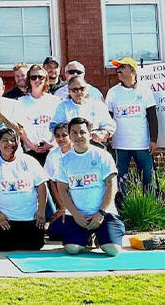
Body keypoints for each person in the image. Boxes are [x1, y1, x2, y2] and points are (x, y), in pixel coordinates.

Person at [55, 117, 124, 256]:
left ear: (89, 133)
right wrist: (75, 214)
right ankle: (87, 237)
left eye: (82, 132)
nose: (78, 136)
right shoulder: (64, 160)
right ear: (70, 135)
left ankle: (103, 235)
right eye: (74, 132)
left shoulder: (102, 156)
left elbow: (112, 186)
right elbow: (62, 190)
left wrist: (101, 213)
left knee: (112, 250)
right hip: (77, 215)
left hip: (103, 213)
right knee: (72, 249)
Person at [0, 128, 48, 251]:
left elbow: (42, 185)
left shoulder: (29, 161)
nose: (9, 144)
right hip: (5, 220)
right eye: (5, 140)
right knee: (4, 246)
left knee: (36, 246)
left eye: (13, 140)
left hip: (30, 218)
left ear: (19, 143)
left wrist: (41, 211)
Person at [106, 57, 158, 192]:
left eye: (122, 67)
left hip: (142, 144)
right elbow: (108, 117)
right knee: (119, 178)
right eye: (118, 68)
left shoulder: (145, 91)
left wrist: (153, 140)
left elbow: (152, 116)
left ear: (133, 70)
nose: (118, 70)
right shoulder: (112, 92)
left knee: (147, 177)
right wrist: (107, 136)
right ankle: (120, 207)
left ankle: (150, 207)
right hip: (120, 144)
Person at [51, 76, 115, 148]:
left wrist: (102, 133)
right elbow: (53, 125)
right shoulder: (63, 106)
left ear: (87, 89)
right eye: (75, 90)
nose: (79, 92)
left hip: (93, 144)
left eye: (82, 89)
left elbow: (110, 125)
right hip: (71, 145)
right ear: (69, 91)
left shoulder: (97, 105)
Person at [18, 63, 62, 165]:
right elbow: (19, 128)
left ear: (46, 79)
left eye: (41, 77)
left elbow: (61, 125)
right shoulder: (21, 102)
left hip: (52, 150)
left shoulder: (55, 101)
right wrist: (31, 145)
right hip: (30, 151)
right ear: (29, 80)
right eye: (33, 77)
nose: (37, 80)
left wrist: (51, 144)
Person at [45, 123, 71, 240]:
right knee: (53, 232)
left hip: (81, 201)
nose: (60, 139)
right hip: (64, 199)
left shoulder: (79, 152)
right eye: (57, 136)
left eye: (64, 135)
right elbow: (52, 182)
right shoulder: (53, 155)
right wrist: (62, 207)